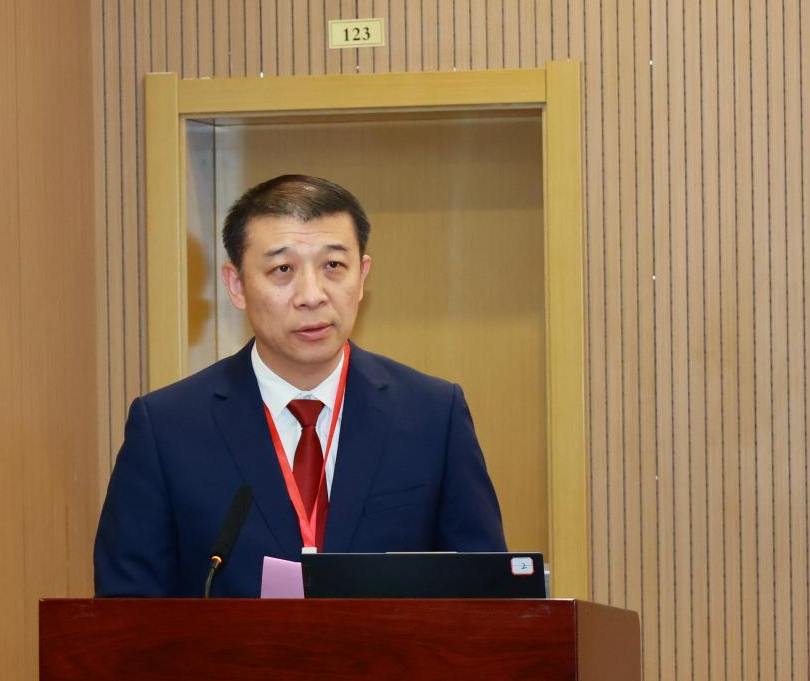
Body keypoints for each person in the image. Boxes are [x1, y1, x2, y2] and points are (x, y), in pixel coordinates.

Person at [94, 174, 506, 597]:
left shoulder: (433, 416)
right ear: (236, 285)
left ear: (362, 276)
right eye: (283, 269)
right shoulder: (167, 429)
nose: (312, 295)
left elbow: (490, 596)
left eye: (333, 266)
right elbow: (126, 607)